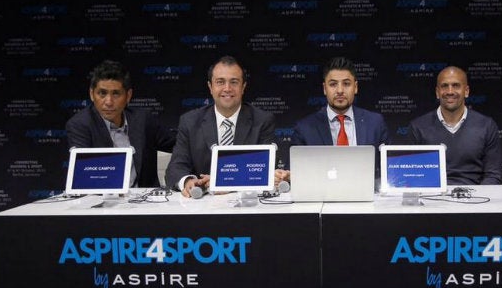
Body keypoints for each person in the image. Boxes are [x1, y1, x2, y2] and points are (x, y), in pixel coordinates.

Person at [165, 55, 280, 197]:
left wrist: (223, 182)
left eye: (234, 82)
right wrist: (188, 181)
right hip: (202, 204)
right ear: (210, 87)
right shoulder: (190, 121)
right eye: (220, 82)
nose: (227, 88)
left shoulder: (262, 121)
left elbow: (266, 170)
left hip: (246, 203)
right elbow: (176, 168)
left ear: (243, 87)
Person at [66, 59, 176, 188]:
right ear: (92, 94)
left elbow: (179, 145)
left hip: (145, 202)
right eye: (102, 93)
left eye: (116, 94)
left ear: (128, 96)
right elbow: (85, 176)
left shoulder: (142, 119)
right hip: (102, 202)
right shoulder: (80, 125)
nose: (108, 101)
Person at [280, 56, 389, 183]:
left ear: (356, 87)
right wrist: (285, 177)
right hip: (321, 198)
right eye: (333, 84)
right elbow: (292, 174)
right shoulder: (304, 128)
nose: (340, 90)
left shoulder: (375, 123)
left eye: (346, 84)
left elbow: (389, 170)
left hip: (366, 197)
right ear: (325, 89)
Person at [406, 65, 502, 185]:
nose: (450, 92)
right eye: (444, 86)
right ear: (437, 92)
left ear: (466, 91)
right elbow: (412, 174)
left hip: (475, 199)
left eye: (456, 85)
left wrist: (477, 200)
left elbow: (492, 175)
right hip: (433, 199)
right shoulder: (418, 127)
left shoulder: (487, 125)